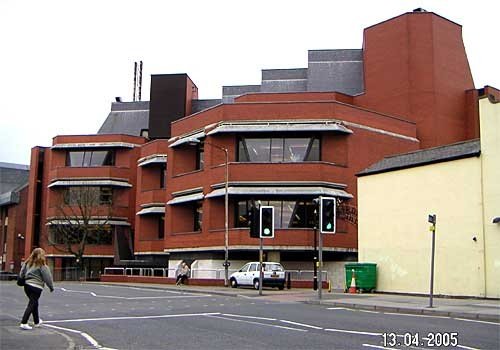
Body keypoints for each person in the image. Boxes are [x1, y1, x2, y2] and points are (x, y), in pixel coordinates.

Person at [19, 248, 54, 330]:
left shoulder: (27, 263)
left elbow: (21, 273)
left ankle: (36, 321)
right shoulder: (42, 265)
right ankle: (24, 322)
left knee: (34, 303)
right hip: (36, 287)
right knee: (32, 304)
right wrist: (51, 287)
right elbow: (47, 277)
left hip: (27, 286)